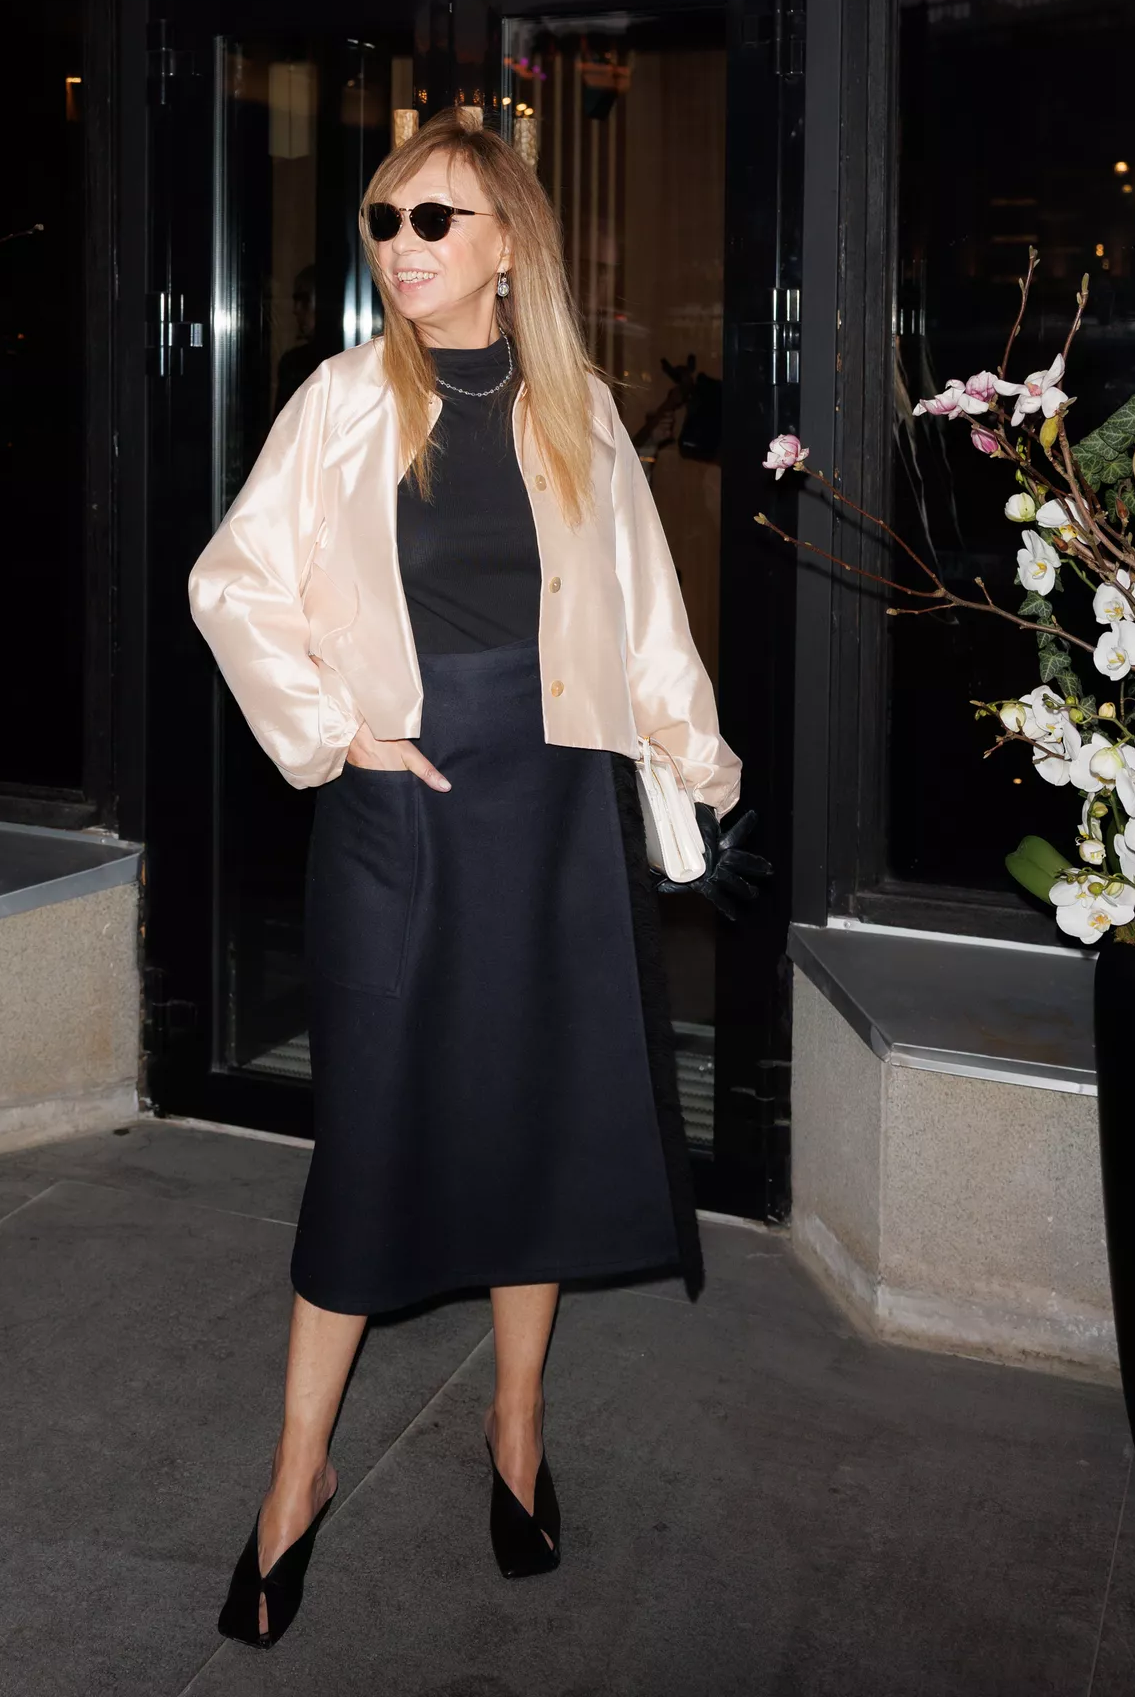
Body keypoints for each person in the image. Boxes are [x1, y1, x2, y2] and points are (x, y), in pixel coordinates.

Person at [187, 105, 747, 1649]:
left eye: (433, 218)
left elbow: (644, 614)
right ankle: (296, 1474)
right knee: (371, 1135)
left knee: (536, 1120)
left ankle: (515, 1427)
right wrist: (335, 734)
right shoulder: (342, 402)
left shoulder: (580, 411)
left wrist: (698, 767)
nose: (402, 245)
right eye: (384, 219)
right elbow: (233, 582)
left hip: (555, 809)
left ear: (508, 244)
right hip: (401, 813)